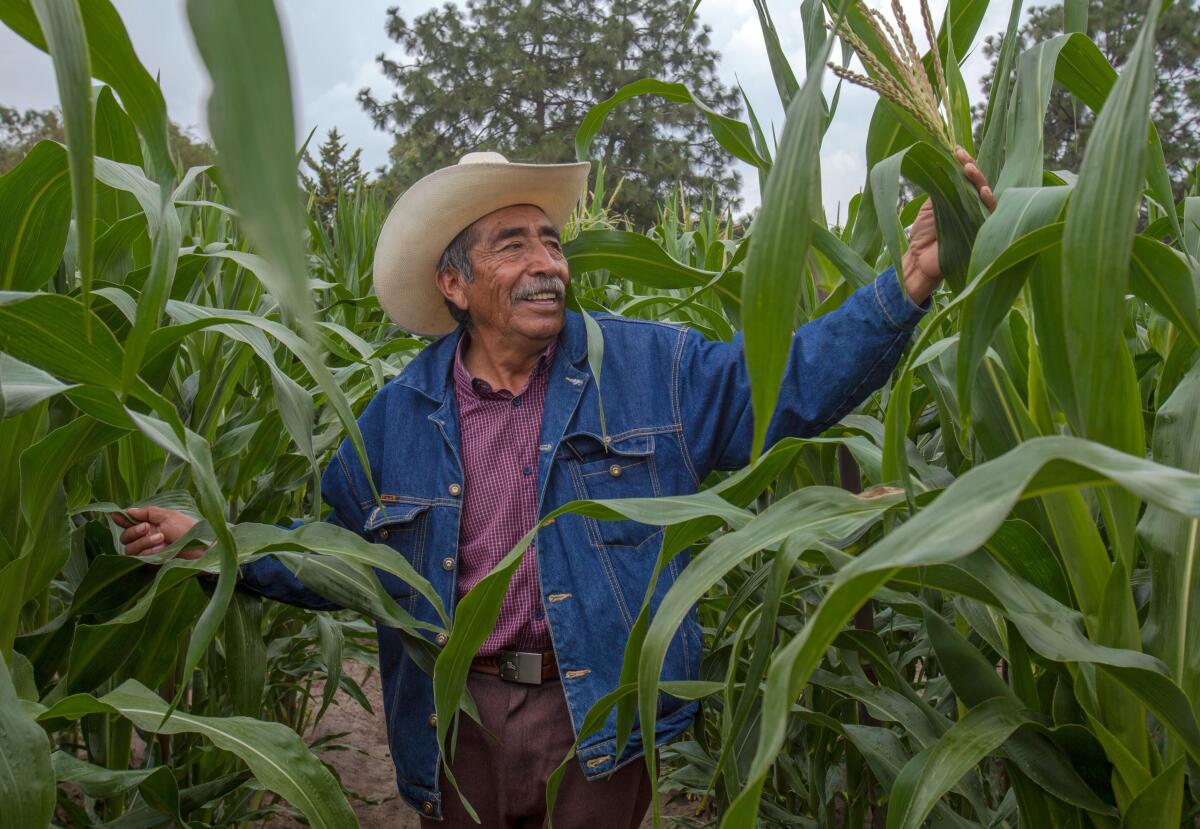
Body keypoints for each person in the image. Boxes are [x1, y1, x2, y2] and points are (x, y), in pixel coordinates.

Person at [114, 149, 994, 826]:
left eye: (551, 241)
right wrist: (212, 540)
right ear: (454, 284)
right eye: (512, 244)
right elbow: (334, 558)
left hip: (596, 717)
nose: (548, 263)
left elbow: (791, 386)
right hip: (454, 716)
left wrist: (909, 280)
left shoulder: (654, 369)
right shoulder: (391, 419)